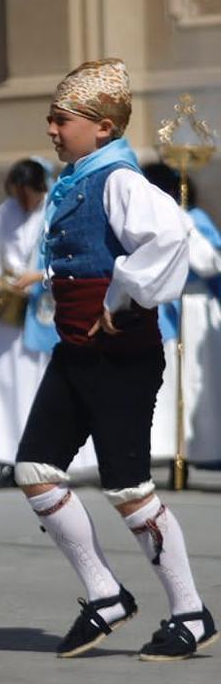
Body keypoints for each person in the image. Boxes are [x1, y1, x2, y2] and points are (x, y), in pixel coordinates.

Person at [12, 60, 211, 661]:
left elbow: (170, 239)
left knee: (128, 487)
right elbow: (83, 253)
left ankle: (191, 612)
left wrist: (122, 296)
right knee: (35, 470)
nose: (50, 127)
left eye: (61, 118)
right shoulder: (77, 178)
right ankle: (105, 595)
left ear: (101, 128)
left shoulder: (120, 179)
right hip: (76, 348)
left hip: (119, 354)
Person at [0, 159, 94, 483]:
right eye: (17, 194)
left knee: (38, 383)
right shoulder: (6, 211)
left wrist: (40, 276)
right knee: (6, 383)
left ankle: (47, 456)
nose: (22, 201)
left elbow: (69, 255)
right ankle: (6, 456)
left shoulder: (55, 209)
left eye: (27, 193)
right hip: (10, 309)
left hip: (43, 308)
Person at [144, 164, 221, 470]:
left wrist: (185, 227)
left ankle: (207, 447)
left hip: (197, 306)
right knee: (176, 383)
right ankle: (180, 448)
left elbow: (210, 263)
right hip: (170, 306)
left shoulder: (195, 219)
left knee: (199, 380)